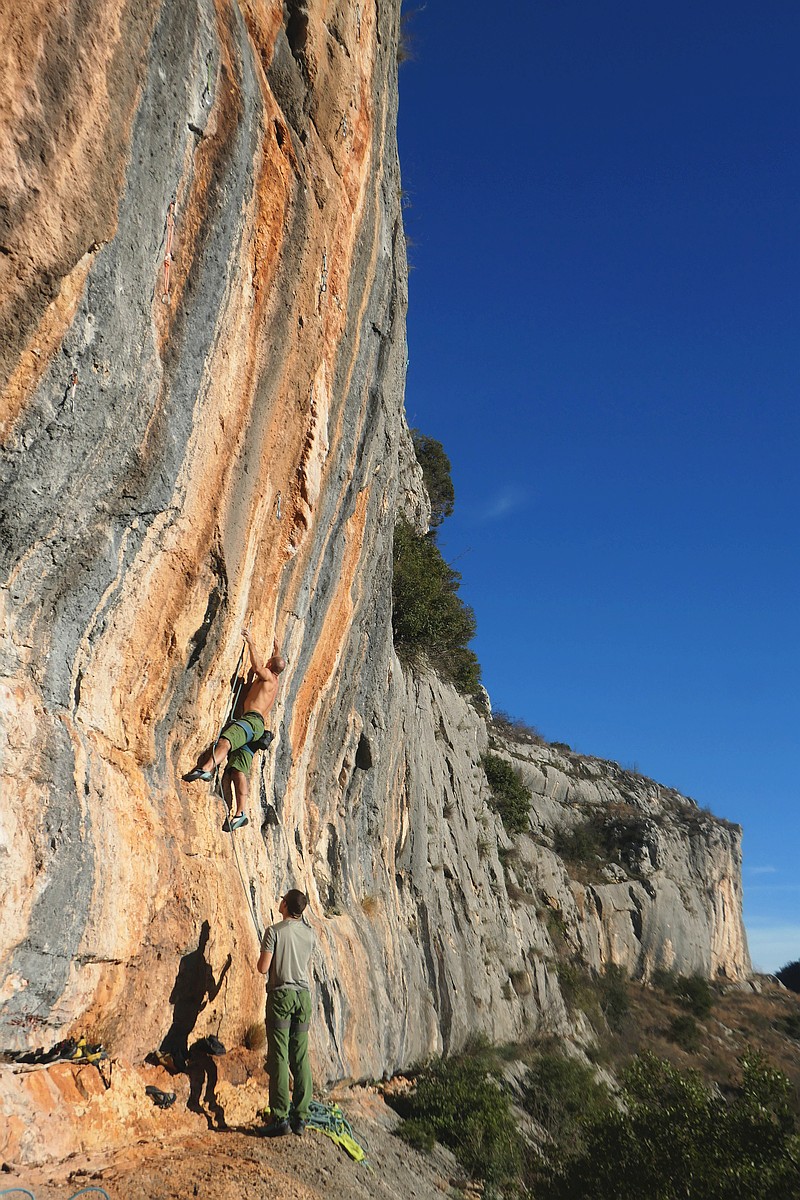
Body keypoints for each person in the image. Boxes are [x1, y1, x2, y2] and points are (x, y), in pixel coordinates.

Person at [183, 630, 286, 830]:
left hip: (251, 722)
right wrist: (277, 648)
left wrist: (251, 642)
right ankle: (240, 813)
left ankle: (206, 769)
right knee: (239, 769)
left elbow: (257, 667)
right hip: (257, 730)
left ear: (270, 666)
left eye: (269, 662)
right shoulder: (275, 681)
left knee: (226, 741)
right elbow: (276, 663)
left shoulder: (266, 677)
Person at [257, 889, 315, 1137]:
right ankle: (300, 1117)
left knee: (279, 1056)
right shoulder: (309, 934)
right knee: (300, 1057)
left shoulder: (274, 932)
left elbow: (263, 968)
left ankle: (279, 1116)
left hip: (282, 996)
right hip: (303, 997)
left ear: (284, 905)